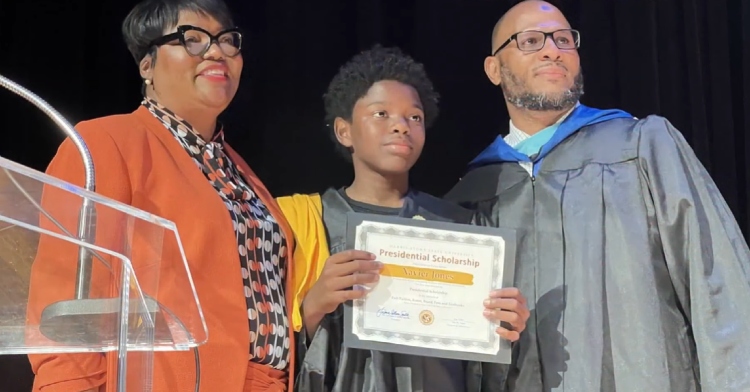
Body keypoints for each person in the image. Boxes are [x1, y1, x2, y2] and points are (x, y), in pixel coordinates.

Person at [444, 1, 750, 391]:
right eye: (531, 40)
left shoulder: (641, 147)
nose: (552, 49)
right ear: (494, 69)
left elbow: (718, 284)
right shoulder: (475, 192)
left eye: (564, 39)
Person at [26, 0, 297, 391]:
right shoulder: (106, 144)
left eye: (226, 40)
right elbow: (64, 301)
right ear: (147, 65)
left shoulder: (240, 171)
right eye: (193, 39)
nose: (216, 51)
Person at [275, 45, 530, 392]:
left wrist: (504, 325)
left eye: (415, 117)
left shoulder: (462, 229)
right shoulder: (301, 222)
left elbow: (479, 361)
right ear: (344, 131)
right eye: (381, 114)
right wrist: (313, 306)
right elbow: (265, 348)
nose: (401, 127)